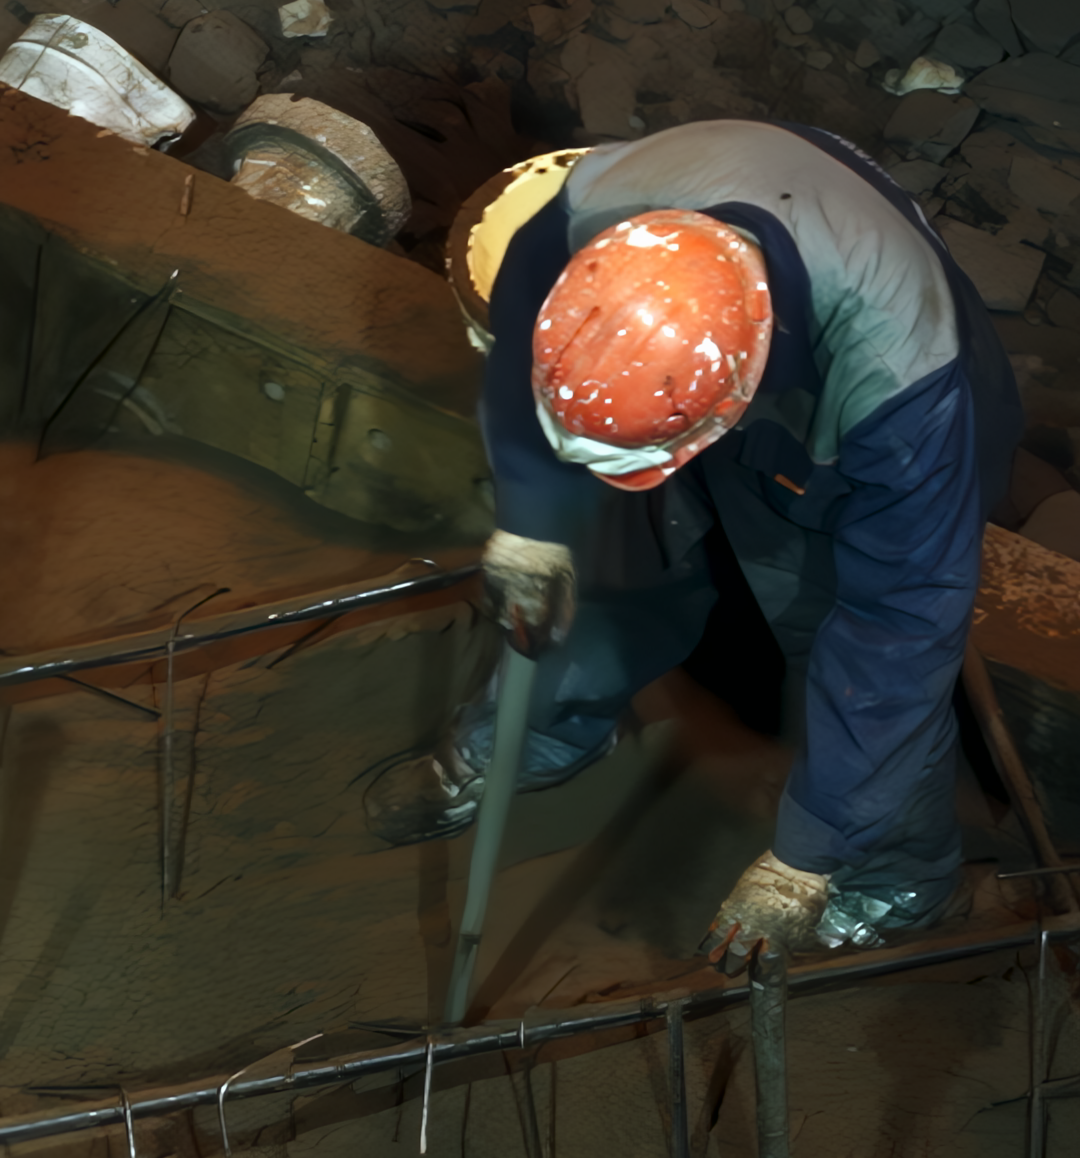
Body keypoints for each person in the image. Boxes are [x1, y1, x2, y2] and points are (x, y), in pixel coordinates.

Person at [365, 119, 1025, 964]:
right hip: (754, 331)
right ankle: (534, 735)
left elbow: (898, 630)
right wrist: (532, 524)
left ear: (724, 413)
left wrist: (807, 852)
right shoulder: (584, 226)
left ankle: (887, 882)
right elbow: (525, 377)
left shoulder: (904, 401)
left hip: (846, 417)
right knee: (608, 552)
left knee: (839, 646)